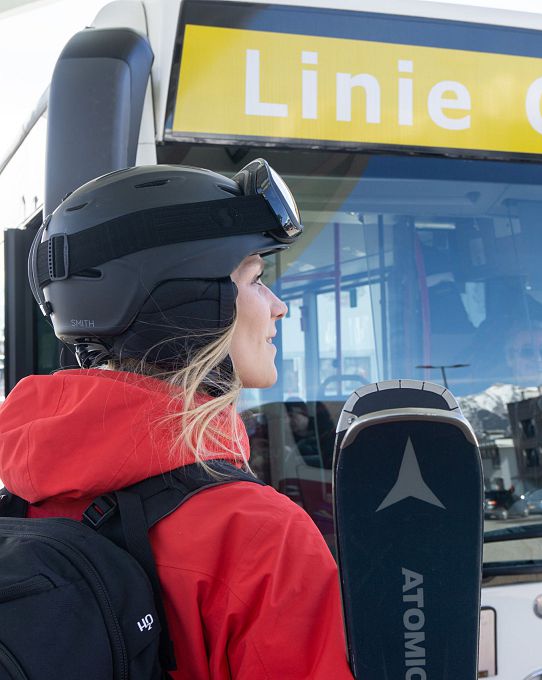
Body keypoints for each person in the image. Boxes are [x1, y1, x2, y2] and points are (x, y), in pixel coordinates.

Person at [0, 161, 354, 679]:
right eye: (256, 279)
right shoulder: (259, 537)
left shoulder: (27, 494)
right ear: (192, 300)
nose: (278, 307)